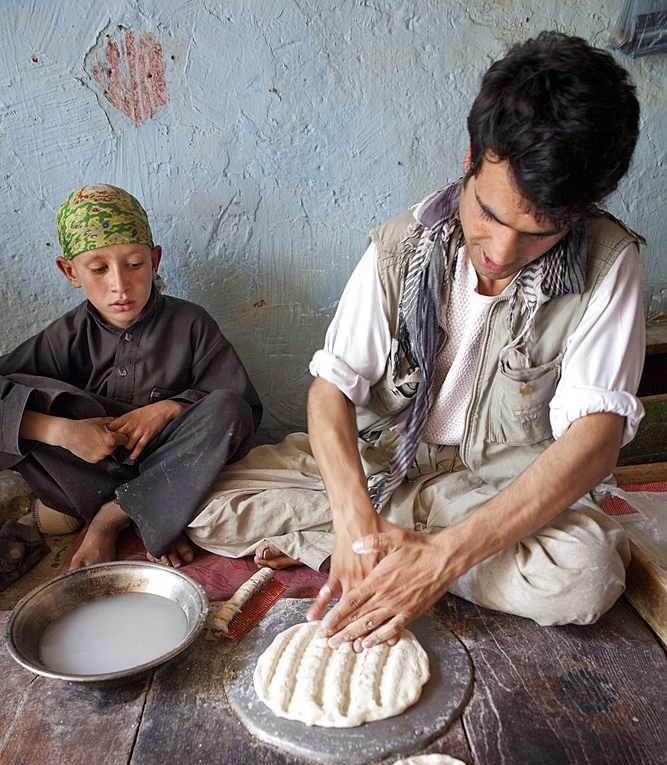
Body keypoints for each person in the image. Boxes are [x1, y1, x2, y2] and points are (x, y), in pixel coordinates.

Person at [187, 32, 646, 649]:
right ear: (471, 158)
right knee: (200, 504)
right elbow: (332, 389)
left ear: (578, 209)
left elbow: (595, 443)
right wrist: (352, 516)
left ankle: (415, 560)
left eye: (538, 233)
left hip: (492, 493)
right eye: (489, 213)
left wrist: (448, 555)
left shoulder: (607, 263)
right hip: (384, 466)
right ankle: (390, 549)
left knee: (584, 576)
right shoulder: (403, 243)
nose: (502, 252)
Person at [0, 184, 261, 568]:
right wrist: (61, 432)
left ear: (154, 261)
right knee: (27, 397)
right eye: (98, 268)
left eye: (134, 264)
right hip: (86, 475)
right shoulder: (65, 337)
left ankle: (112, 518)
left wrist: (170, 409)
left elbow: (242, 409)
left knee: (227, 408)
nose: (119, 285)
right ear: (70, 271)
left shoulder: (190, 323)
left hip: (169, 465)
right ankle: (152, 510)